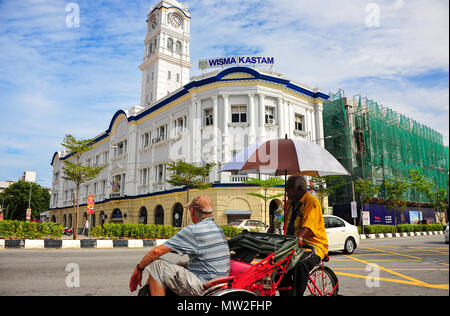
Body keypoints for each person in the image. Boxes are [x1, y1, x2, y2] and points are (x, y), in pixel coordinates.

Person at [129, 195, 230, 296]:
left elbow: (156, 252)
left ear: (192, 212)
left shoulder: (193, 231)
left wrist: (139, 269)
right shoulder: (218, 229)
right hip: (220, 282)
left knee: (156, 265)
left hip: (205, 285)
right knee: (176, 266)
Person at [280, 175, 328, 296]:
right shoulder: (289, 203)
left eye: (289, 189)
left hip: (314, 246)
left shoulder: (311, 202)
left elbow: (309, 228)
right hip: (293, 246)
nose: (286, 192)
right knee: (276, 266)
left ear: (300, 189)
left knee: (300, 264)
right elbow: (278, 218)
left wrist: (300, 238)